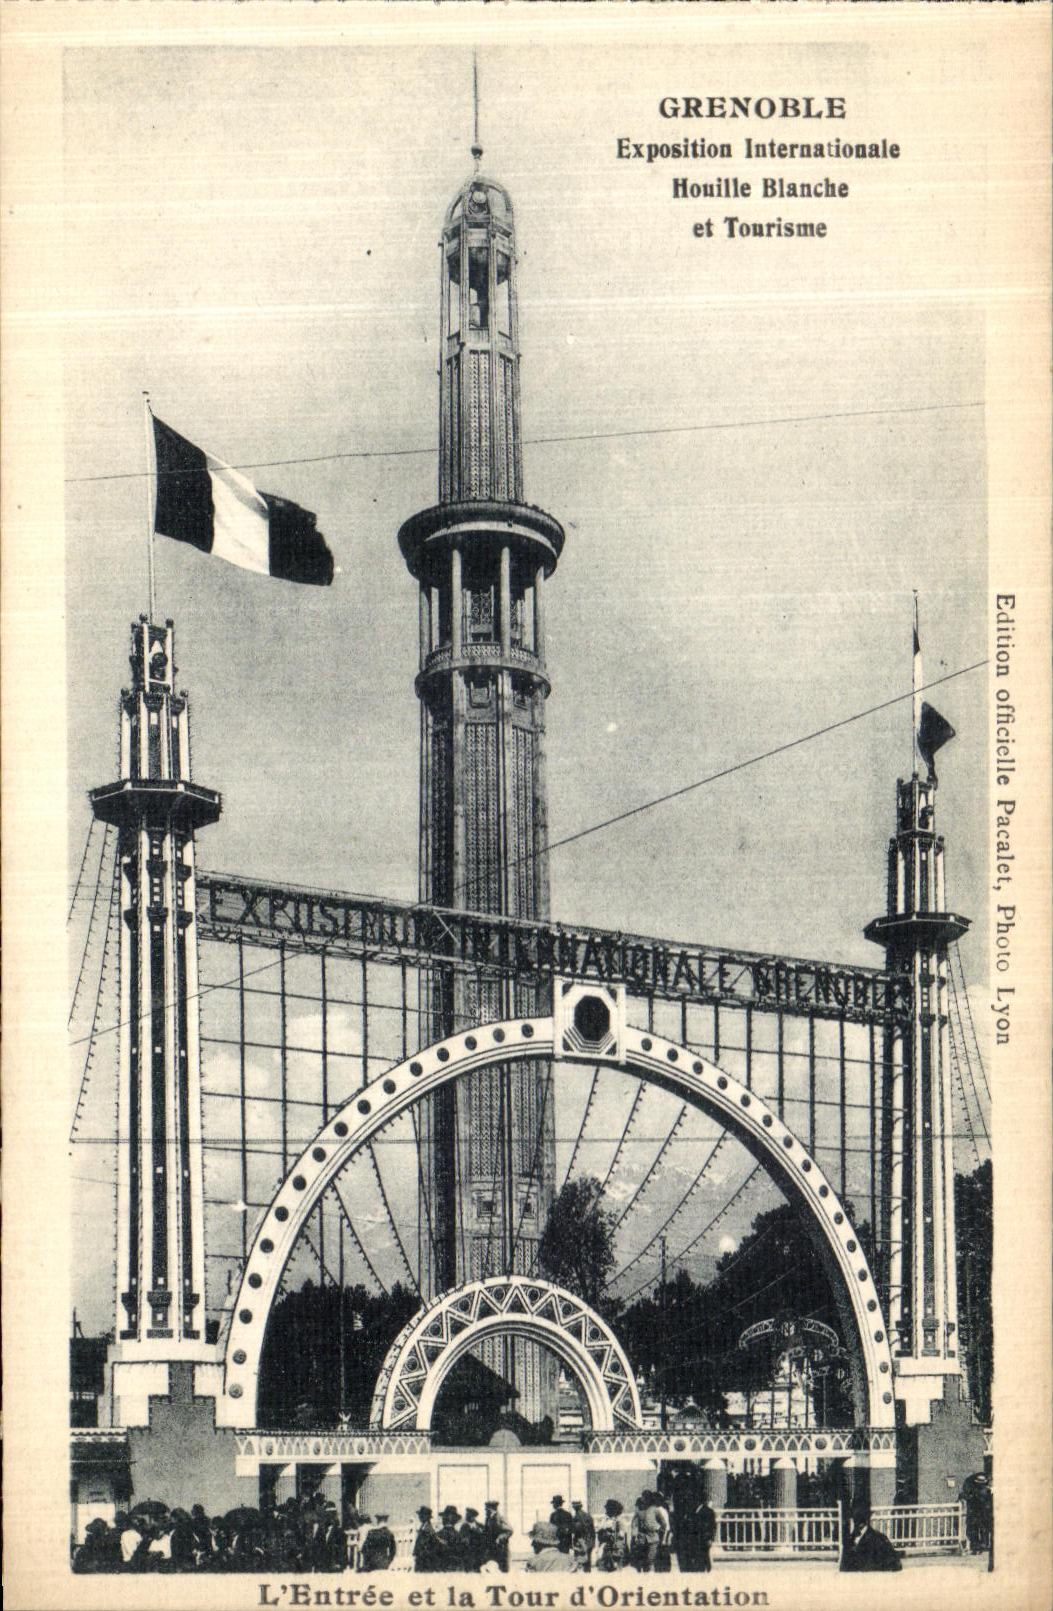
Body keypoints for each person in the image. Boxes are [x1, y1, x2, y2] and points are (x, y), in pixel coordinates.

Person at [597, 1499, 630, 1571]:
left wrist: (612, 1534)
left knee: (617, 1562)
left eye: (608, 1509)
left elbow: (622, 1533)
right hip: (606, 1543)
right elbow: (600, 1528)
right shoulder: (605, 1518)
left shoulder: (619, 1520)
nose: (606, 1510)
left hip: (616, 1544)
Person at [482, 1498, 512, 1572]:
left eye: (487, 1509)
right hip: (490, 1549)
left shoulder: (500, 1518)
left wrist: (500, 1538)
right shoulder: (488, 1519)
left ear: (492, 1509)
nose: (485, 1511)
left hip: (500, 1549)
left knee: (501, 1569)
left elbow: (509, 1530)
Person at [414, 1506, 443, 1573]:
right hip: (421, 1559)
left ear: (426, 1517)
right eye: (420, 1515)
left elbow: (425, 1545)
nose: (419, 1517)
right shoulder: (423, 1527)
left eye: (421, 1515)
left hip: (425, 1560)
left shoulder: (428, 1529)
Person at [570, 1500, 596, 1571]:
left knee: (580, 1562)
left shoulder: (576, 1517)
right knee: (588, 1561)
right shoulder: (588, 1515)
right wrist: (593, 1542)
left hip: (581, 1541)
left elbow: (576, 1530)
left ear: (574, 1507)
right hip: (589, 1541)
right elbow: (592, 1530)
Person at [692, 1501, 717, 1573]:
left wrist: (711, 1538)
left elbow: (713, 1526)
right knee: (702, 1555)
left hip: (705, 1538)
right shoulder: (694, 1511)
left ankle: (708, 1570)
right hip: (697, 1538)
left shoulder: (708, 1511)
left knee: (705, 1554)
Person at [460, 1507, 485, 1572]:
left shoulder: (480, 1526)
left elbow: (485, 1537)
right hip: (468, 1553)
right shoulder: (464, 1526)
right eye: (467, 1515)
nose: (467, 1516)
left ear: (474, 1516)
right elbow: (461, 1538)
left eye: (469, 1515)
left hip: (479, 1553)